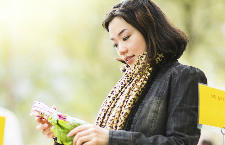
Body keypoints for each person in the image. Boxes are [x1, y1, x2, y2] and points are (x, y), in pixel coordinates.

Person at [36, 0, 207, 144]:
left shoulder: (186, 77)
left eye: (125, 38)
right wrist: (63, 132)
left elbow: (181, 142)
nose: (121, 50)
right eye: (115, 44)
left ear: (150, 31)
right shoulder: (126, 85)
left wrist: (111, 138)